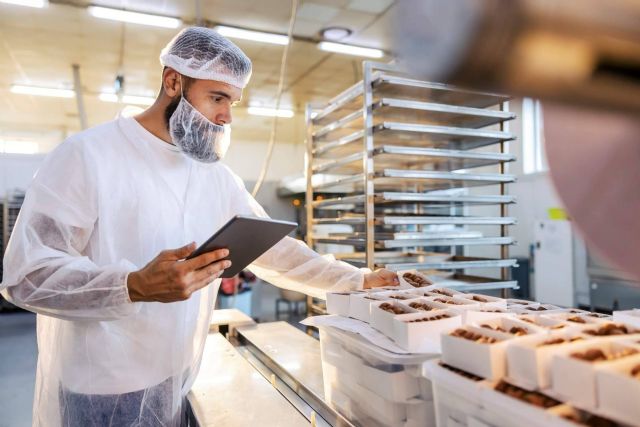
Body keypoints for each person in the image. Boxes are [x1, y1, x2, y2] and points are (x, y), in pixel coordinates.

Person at [0, 27, 398, 426]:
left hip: (177, 378)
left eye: (233, 102)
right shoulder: (88, 156)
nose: (226, 116)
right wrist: (133, 285)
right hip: (102, 388)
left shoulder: (215, 178)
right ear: (173, 81)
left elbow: (276, 252)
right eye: (218, 97)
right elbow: (27, 274)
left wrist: (358, 280)